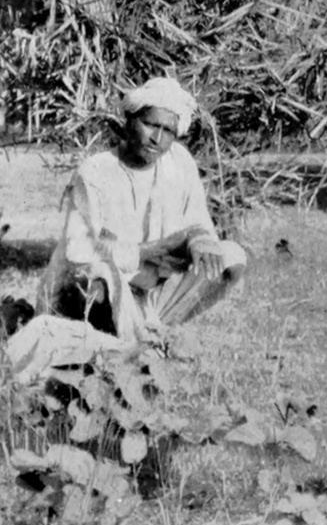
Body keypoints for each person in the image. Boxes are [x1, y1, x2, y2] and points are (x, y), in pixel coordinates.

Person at [34, 77, 247, 344]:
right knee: (97, 282)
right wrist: (150, 250)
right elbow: (80, 253)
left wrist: (199, 239)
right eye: (150, 125)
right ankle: (126, 342)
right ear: (129, 120)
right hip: (96, 291)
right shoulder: (95, 171)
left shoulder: (179, 162)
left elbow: (198, 221)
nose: (157, 139)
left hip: (150, 290)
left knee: (231, 257)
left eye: (168, 131)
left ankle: (151, 328)